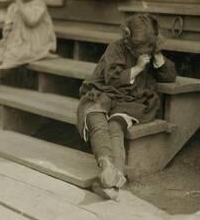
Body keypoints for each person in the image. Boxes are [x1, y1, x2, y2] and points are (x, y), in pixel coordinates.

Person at [76, 13, 177, 200]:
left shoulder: (150, 50)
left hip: (132, 100)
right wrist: (138, 68)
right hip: (106, 91)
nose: (144, 52)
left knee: (115, 126)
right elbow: (113, 80)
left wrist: (159, 59)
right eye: (141, 48)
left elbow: (169, 76)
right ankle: (106, 163)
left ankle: (117, 175)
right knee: (95, 115)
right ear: (128, 39)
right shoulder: (116, 48)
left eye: (149, 47)